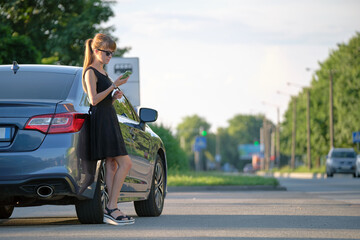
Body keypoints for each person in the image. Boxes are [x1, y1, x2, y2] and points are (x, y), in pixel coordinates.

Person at [82, 33, 134, 225]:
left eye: (112, 53)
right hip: (101, 121)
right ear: (96, 51)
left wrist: (114, 96)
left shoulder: (103, 72)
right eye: (106, 53)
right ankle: (112, 206)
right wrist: (113, 85)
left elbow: (103, 101)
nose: (109, 57)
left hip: (108, 117)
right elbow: (93, 100)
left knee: (112, 164)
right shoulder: (90, 72)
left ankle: (109, 209)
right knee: (125, 163)